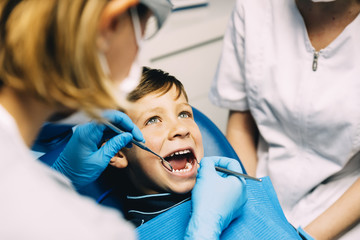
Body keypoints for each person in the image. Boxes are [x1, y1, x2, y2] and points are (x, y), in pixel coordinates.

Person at [0, 0, 244, 239]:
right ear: (111, 23)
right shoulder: (98, 231)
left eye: (183, 114)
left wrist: (64, 176)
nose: (180, 128)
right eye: (141, 36)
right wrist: (205, 228)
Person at [209, 0, 360, 239]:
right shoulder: (253, 8)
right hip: (262, 187)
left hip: (344, 205)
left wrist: (303, 236)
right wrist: (253, 212)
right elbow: (241, 128)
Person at [98, 67, 246, 235]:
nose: (181, 129)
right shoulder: (131, 235)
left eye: (184, 114)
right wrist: (207, 223)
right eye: (153, 120)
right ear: (117, 151)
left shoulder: (231, 191)